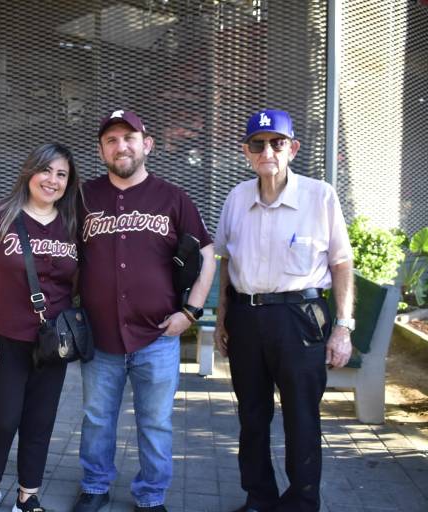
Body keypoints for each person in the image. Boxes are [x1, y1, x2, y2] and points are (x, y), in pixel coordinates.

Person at [72, 109, 216, 512]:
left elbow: (207, 254)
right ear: (102, 150)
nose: (122, 146)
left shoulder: (172, 197)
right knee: (97, 419)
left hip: (157, 336)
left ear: (146, 144)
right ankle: (96, 486)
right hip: (100, 337)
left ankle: (151, 496)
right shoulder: (84, 197)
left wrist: (190, 312)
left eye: (129, 138)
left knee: (154, 423)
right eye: (112, 140)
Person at [213, 109, 354, 512]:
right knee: (252, 417)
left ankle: (301, 503)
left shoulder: (320, 195)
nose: (267, 151)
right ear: (246, 152)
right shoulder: (237, 198)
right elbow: (227, 262)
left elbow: (341, 263)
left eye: (277, 143)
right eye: (258, 144)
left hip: (300, 318)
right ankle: (259, 498)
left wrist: (343, 326)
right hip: (246, 318)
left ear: (292, 148)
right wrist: (223, 317)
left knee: (302, 419)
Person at [0, 143, 81, 512]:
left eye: (62, 175)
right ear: (30, 171)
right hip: (5, 339)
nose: (53, 180)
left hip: (54, 343)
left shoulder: (75, 222)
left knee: (40, 421)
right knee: (1, 418)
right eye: (46, 171)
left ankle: (28, 495)